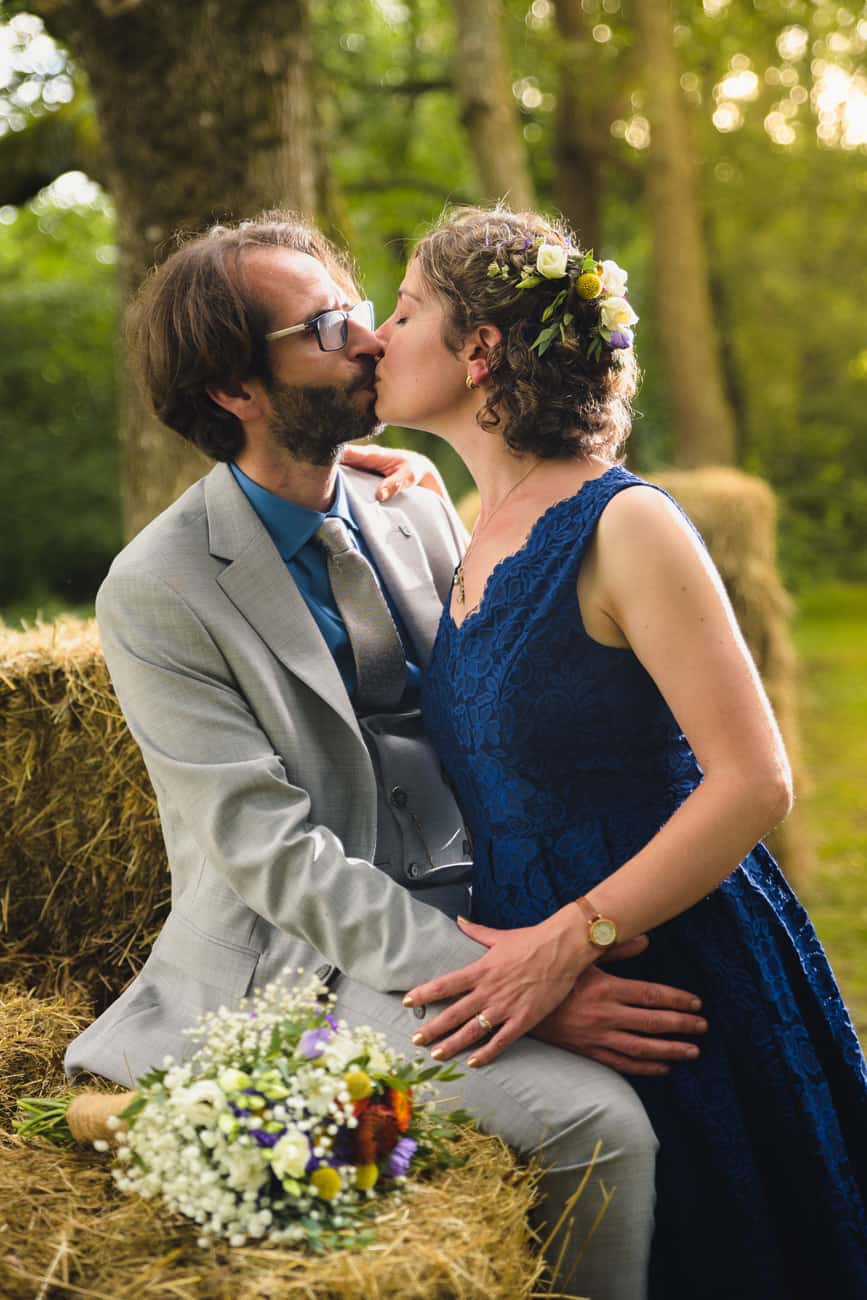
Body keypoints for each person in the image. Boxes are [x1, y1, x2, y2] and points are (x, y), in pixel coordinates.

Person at [64, 213, 713, 1300]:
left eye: (364, 310)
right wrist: (515, 983)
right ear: (236, 390)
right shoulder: (157, 587)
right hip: (317, 961)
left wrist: (563, 928)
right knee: (600, 1126)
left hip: (499, 901)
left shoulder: (409, 504)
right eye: (326, 327)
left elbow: (513, 688)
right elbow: (275, 858)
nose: (370, 338)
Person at [372, 205, 867, 1300]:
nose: (376, 333)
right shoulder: (465, 521)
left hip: (669, 966)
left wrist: (567, 940)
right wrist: (376, 490)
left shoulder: (624, 524)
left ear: (478, 349)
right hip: (532, 984)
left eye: (403, 309)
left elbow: (755, 779)